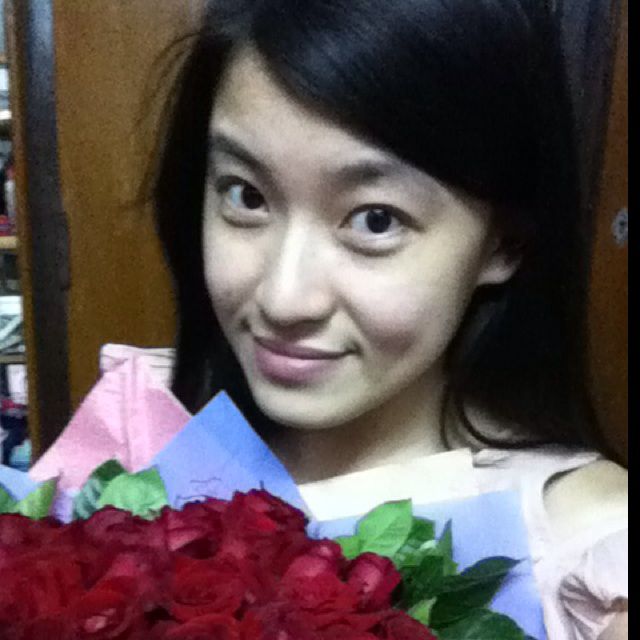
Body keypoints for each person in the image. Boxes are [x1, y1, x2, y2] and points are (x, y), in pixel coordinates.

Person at [151, 1, 628, 638]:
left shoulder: (590, 564)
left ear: (505, 242)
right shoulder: (150, 436)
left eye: (376, 220)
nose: (283, 299)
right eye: (247, 195)